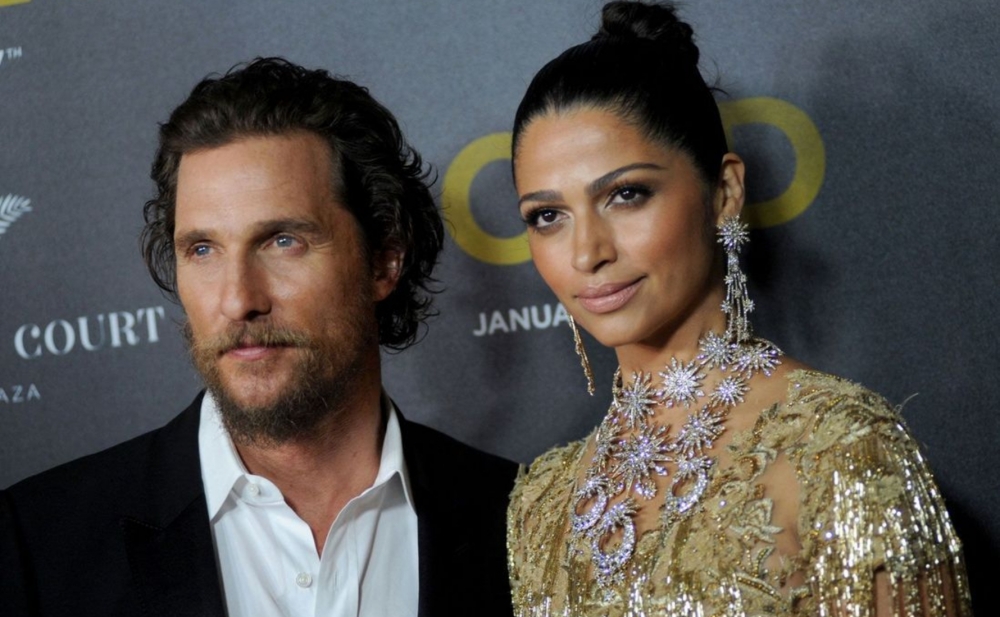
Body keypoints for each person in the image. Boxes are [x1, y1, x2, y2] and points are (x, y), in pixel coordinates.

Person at [0, 57, 516, 617]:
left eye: (282, 242)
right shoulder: (35, 545)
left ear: (384, 259)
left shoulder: (520, 519)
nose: (238, 299)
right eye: (202, 250)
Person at [504, 2, 971, 615]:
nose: (587, 252)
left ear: (724, 192)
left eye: (627, 194)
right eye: (548, 216)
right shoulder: (539, 501)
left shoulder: (838, 448)